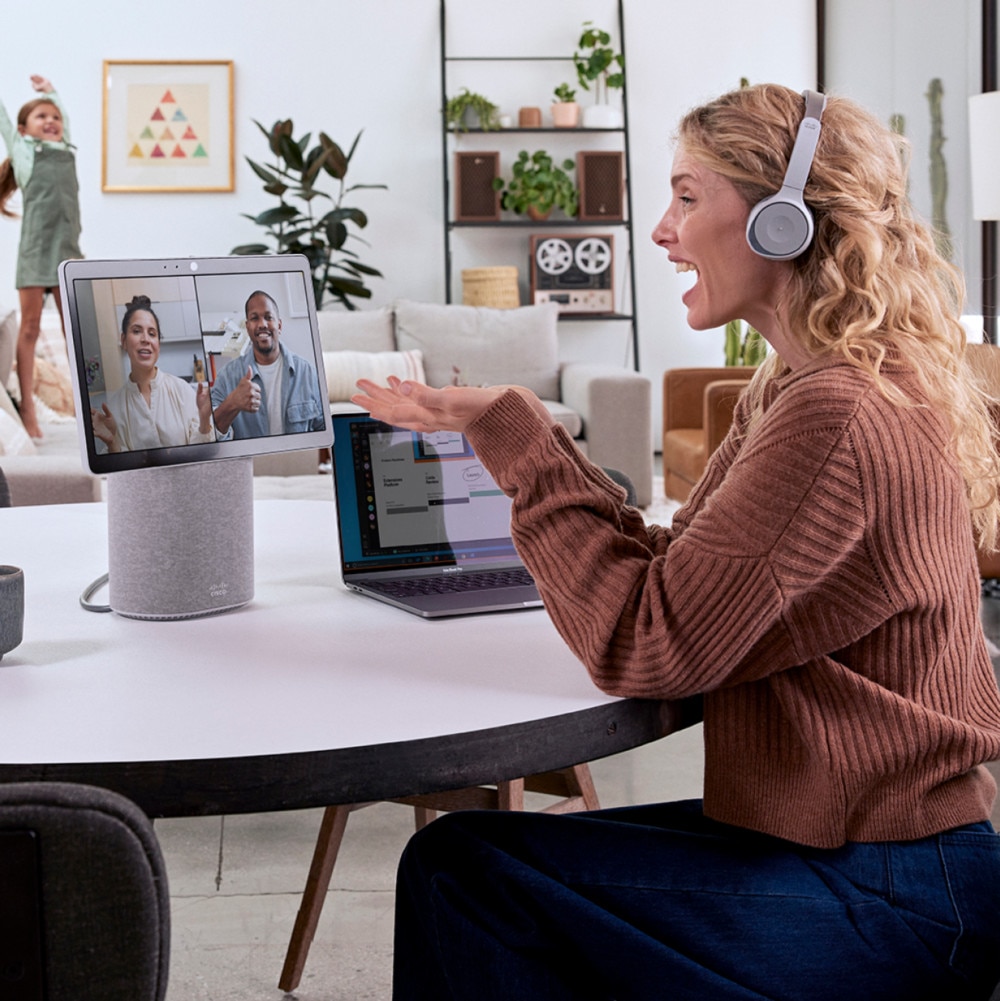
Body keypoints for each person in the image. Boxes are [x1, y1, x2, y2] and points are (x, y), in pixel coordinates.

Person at [352, 83, 1000, 1000]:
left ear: (783, 222)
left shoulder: (838, 413)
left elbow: (646, 641)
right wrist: (517, 429)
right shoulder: (800, 382)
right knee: (476, 865)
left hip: (896, 884)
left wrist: (527, 444)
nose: (661, 228)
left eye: (689, 196)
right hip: (859, 847)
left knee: (465, 878)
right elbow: (675, 574)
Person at [0, 75, 83, 439]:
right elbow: (4, 124)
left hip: (69, 253)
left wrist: (51, 91)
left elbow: (61, 111)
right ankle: (29, 410)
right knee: (30, 329)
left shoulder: (66, 149)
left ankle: (88, 407)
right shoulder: (24, 154)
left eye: (55, 116)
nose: (51, 120)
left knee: (77, 331)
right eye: (41, 117)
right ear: (24, 130)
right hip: (35, 252)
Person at [92, 295, 213, 453]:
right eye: (136, 331)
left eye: (152, 333)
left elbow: (201, 451)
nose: (146, 339)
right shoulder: (114, 408)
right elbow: (122, 470)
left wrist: (204, 420)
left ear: (158, 344)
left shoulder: (182, 390)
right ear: (124, 341)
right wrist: (112, 442)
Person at [211, 289, 326, 439]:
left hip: (297, 459)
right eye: (254, 318)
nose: (262, 324)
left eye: (268, 317)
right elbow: (211, 434)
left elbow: (323, 430)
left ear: (279, 325)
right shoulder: (226, 376)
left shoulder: (308, 372)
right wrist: (232, 403)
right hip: (253, 462)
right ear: (247, 327)